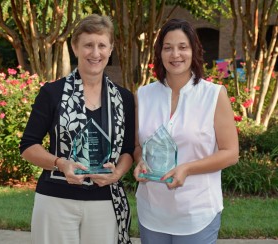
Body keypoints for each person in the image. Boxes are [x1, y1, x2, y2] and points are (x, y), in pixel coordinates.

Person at [20, 14, 134, 244]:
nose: (95, 53)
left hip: (105, 201)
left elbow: (128, 151)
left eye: (102, 45)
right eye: (88, 45)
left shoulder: (124, 98)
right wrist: (61, 163)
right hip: (56, 200)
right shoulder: (52, 93)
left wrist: (117, 174)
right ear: (75, 47)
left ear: (110, 49)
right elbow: (28, 146)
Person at [133, 18, 239, 244]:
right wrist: (140, 160)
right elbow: (138, 146)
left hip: (197, 214)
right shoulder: (143, 95)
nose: (175, 55)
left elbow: (230, 153)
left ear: (194, 51)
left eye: (183, 47)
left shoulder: (213, 94)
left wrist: (187, 169)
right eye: (168, 48)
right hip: (151, 212)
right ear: (159, 53)